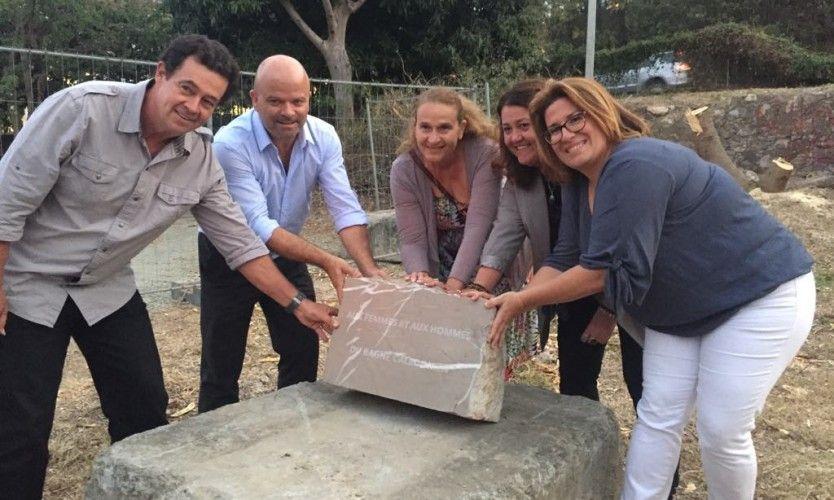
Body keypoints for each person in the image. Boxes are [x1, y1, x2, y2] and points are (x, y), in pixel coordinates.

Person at [0, 35, 338, 499]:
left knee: (145, 410)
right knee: (20, 426)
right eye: (186, 88)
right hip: (26, 284)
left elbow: (239, 242)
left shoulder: (201, 158)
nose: (194, 106)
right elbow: (7, 203)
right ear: (160, 73)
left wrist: (298, 304)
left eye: (208, 101)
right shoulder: (82, 109)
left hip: (106, 289)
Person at [486, 77, 815, 499]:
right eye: (554, 129)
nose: (566, 135)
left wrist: (523, 299)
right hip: (678, 310)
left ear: (603, 112)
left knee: (721, 429)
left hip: (757, 296)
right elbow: (566, 255)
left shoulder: (636, 162)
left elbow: (602, 272)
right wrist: (512, 296)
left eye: (575, 119)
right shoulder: (576, 179)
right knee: (657, 415)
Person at [198, 55, 386, 413]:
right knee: (221, 361)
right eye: (275, 101)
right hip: (229, 258)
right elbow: (258, 226)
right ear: (254, 98)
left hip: (287, 256)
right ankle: (212, 447)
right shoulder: (229, 144)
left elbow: (344, 206)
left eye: (297, 101)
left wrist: (367, 269)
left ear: (309, 98)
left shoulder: (324, 136)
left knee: (303, 346)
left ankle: (295, 431)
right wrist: (326, 259)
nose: (288, 112)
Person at [463, 79, 643, 403]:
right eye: (507, 129)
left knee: (642, 381)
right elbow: (505, 238)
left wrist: (607, 311)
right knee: (574, 380)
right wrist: (478, 290)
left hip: (622, 287)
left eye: (523, 126)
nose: (515, 137)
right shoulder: (522, 179)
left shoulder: (586, 170)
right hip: (565, 284)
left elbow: (622, 255)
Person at [390, 87, 537, 372]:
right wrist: (420, 277)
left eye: (444, 127)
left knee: (491, 354)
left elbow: (479, 227)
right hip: (443, 264)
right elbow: (412, 238)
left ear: (461, 128)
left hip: (492, 264)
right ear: (414, 128)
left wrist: (455, 289)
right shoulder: (404, 169)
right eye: (425, 128)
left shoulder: (485, 153)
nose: (433, 138)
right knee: (449, 354)